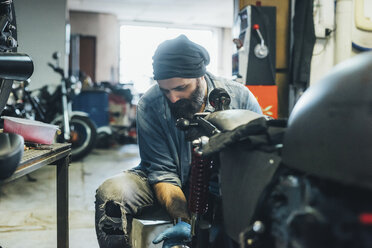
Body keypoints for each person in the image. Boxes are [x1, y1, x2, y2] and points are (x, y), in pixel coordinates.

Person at [95, 34, 262, 248]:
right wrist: (184, 220)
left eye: (181, 88)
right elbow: (162, 172)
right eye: (166, 91)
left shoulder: (240, 98)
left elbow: (258, 159)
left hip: (225, 187)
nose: (173, 98)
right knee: (111, 193)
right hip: (167, 182)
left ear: (201, 77)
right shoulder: (151, 104)